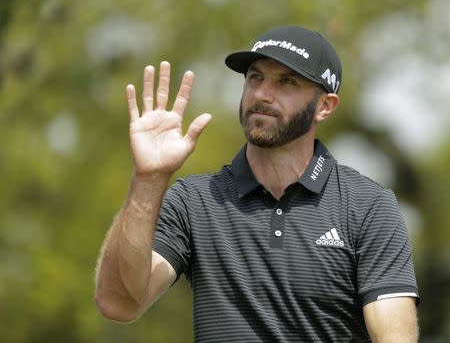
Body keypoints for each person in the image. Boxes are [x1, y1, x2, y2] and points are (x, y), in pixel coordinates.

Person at [94, 26, 420, 342]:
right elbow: (119, 303)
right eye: (255, 77)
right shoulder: (194, 201)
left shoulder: (368, 206)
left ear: (324, 106)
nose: (263, 94)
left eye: (286, 82)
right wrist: (148, 180)